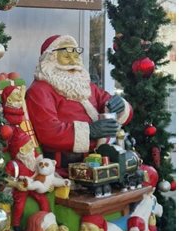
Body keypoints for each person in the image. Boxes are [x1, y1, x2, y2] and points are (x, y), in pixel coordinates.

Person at [25, 34, 133, 176]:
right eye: (66, 56)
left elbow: (111, 104)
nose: (73, 61)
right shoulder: (39, 91)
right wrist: (90, 131)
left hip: (101, 161)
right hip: (64, 170)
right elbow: (49, 132)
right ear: (50, 60)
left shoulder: (86, 86)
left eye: (76, 54)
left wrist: (120, 105)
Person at [4, 132, 50, 231]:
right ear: (22, 150)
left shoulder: (33, 160)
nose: (32, 146)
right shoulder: (14, 164)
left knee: (43, 199)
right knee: (19, 205)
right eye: (29, 144)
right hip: (22, 187)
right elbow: (4, 179)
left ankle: (48, 219)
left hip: (33, 185)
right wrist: (16, 184)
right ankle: (16, 224)